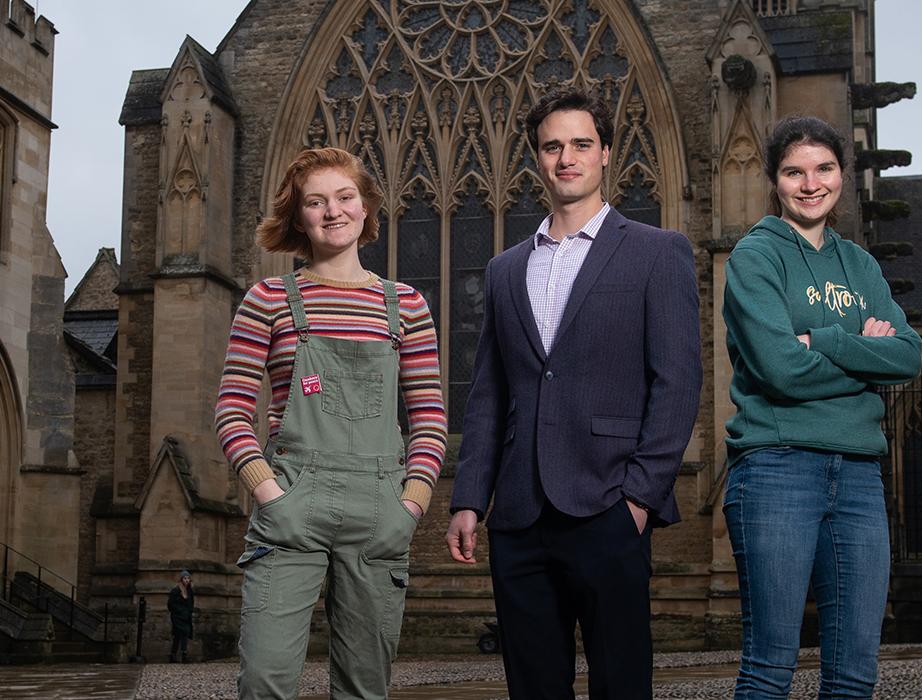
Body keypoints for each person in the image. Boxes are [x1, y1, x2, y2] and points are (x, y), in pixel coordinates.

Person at [446, 85, 702, 700]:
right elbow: (488, 394)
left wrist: (640, 496)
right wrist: (468, 499)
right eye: (552, 146)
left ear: (606, 153)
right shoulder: (505, 269)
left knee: (620, 687)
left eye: (581, 144)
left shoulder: (657, 252)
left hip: (610, 505)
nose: (567, 158)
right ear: (537, 158)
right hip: (519, 512)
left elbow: (677, 382)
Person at [213, 146, 446, 699]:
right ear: (298, 218)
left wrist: (409, 505)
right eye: (315, 202)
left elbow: (431, 418)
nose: (333, 211)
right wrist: (268, 494)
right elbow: (230, 410)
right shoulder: (267, 299)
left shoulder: (406, 306)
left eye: (345, 197)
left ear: (367, 208)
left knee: (364, 689)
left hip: (379, 512)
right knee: (265, 681)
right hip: (291, 506)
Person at [720, 115, 922, 698]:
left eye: (824, 169)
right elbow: (779, 370)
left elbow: (908, 356)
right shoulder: (755, 257)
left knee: (855, 674)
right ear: (775, 180)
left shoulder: (860, 265)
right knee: (769, 668)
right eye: (794, 172)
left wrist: (826, 342)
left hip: (858, 475)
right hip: (776, 467)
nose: (811, 184)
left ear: (843, 176)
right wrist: (864, 357)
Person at [167, 570, 195, 663]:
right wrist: (179, 611)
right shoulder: (176, 590)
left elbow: (191, 603)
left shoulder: (190, 591)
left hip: (186, 617)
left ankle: (177, 655)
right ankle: (179, 655)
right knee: (180, 634)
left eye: (188, 578)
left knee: (182, 635)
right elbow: (170, 604)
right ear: (181, 579)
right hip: (177, 617)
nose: (187, 580)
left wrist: (189, 611)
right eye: (185, 578)